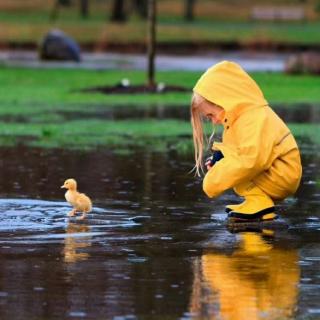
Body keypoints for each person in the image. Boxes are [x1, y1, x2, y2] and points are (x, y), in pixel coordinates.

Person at [190, 61, 302, 221]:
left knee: (238, 168)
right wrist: (220, 158)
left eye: (211, 115)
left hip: (282, 176)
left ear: (223, 101)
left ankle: (260, 204)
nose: (214, 122)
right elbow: (239, 150)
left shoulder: (254, 118)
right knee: (234, 166)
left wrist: (213, 180)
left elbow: (252, 160)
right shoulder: (240, 119)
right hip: (275, 172)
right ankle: (257, 201)